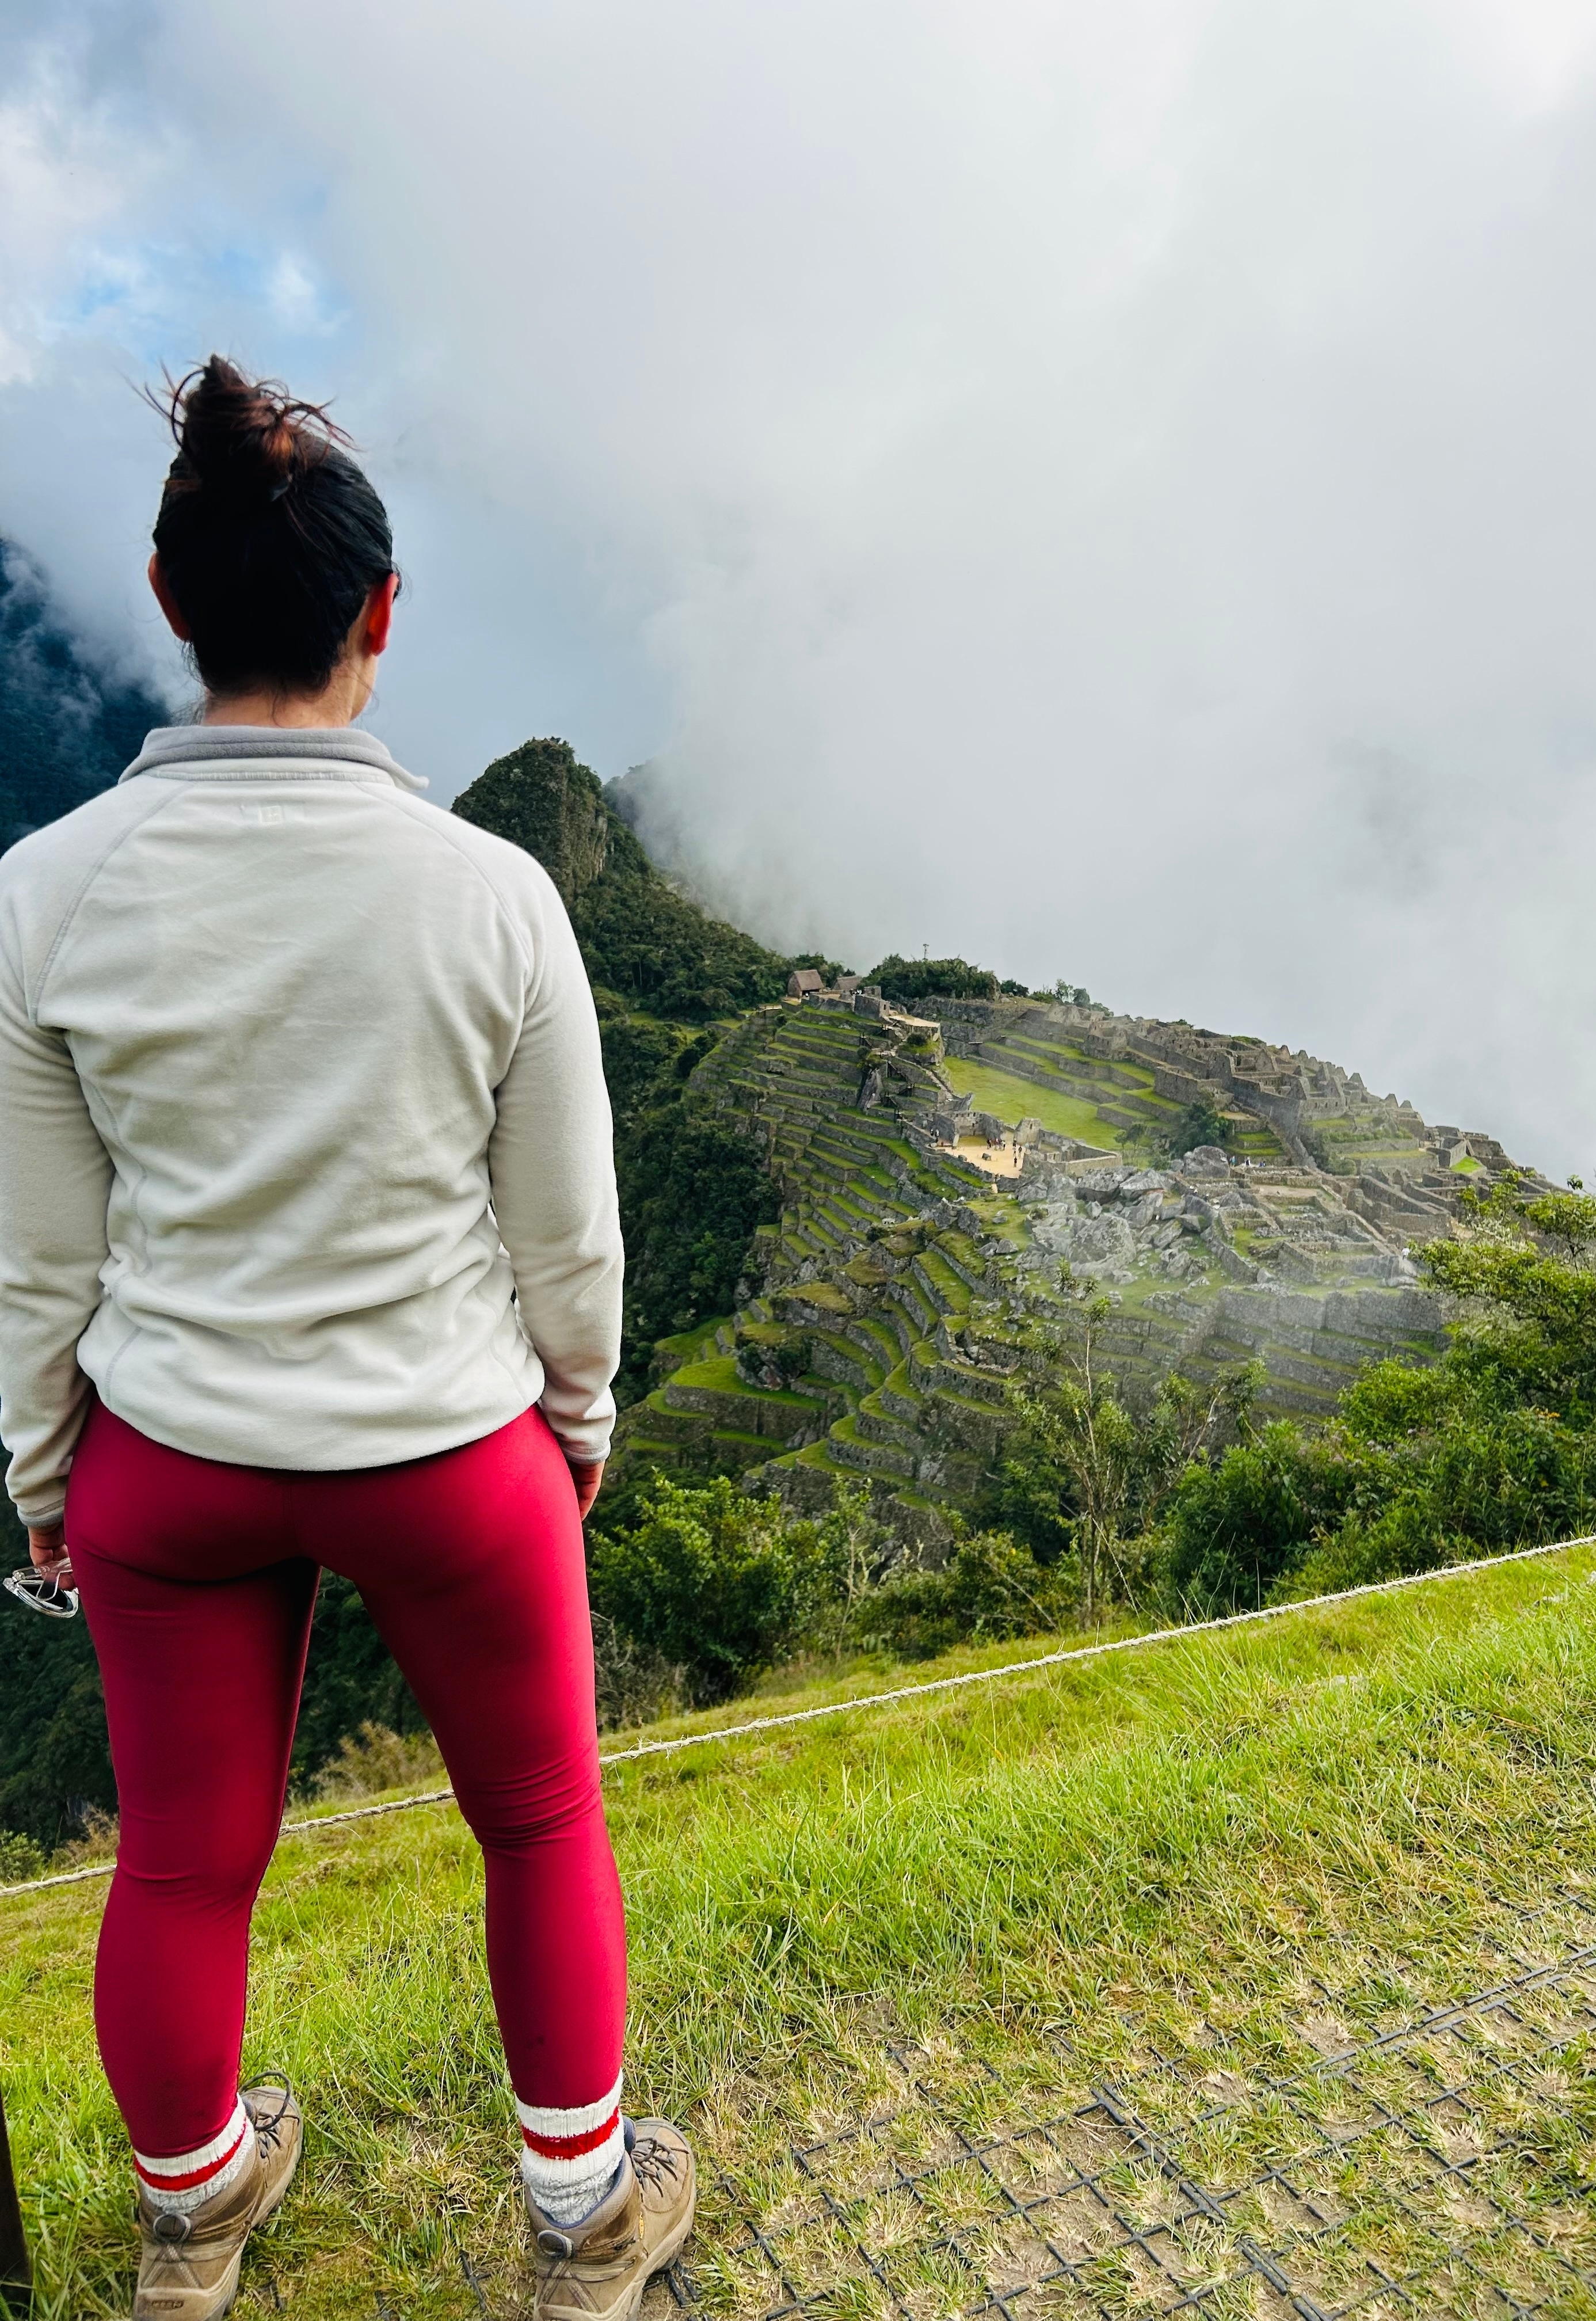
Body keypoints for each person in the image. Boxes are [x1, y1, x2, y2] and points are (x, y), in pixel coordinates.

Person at [0, 358, 694, 2321]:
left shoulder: (38, 902)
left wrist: (48, 1489)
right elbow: (568, 1233)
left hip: (172, 1455)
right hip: (444, 1450)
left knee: (183, 1862)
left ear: (162, 597)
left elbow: (42, 1264)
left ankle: (196, 2209)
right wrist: (578, 1421)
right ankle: (582, 2219)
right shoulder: (495, 898)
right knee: (541, 1816)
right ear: (381, 616)